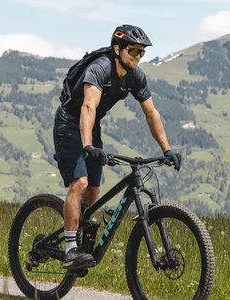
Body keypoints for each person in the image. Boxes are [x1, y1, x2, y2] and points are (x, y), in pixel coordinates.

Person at [52, 24, 182, 269]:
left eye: (141, 52)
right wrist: (88, 145)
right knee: (79, 183)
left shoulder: (135, 76)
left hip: (92, 126)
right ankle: (70, 249)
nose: (137, 56)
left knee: (93, 191)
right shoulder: (100, 68)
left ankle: (79, 225)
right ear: (117, 49)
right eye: (132, 50)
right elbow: (88, 106)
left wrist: (167, 149)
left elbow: (151, 113)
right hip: (69, 123)